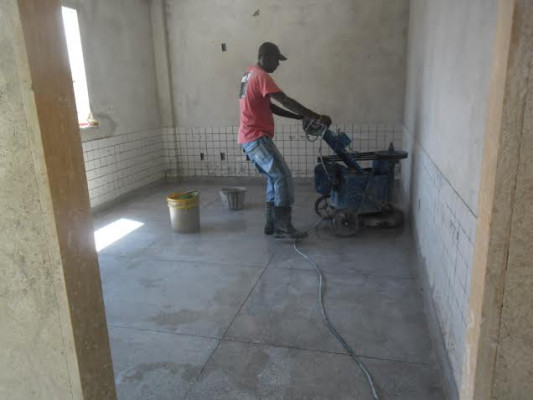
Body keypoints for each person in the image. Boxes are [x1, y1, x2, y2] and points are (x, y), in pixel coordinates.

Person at [238, 42, 332, 239]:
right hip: (256, 137)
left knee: (274, 179)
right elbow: (285, 100)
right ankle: (283, 225)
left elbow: (270, 107)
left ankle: (271, 224)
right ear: (265, 56)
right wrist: (316, 116)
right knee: (283, 177)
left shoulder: (248, 75)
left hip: (248, 138)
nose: (278, 64)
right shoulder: (262, 75)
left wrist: (300, 117)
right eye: (276, 59)